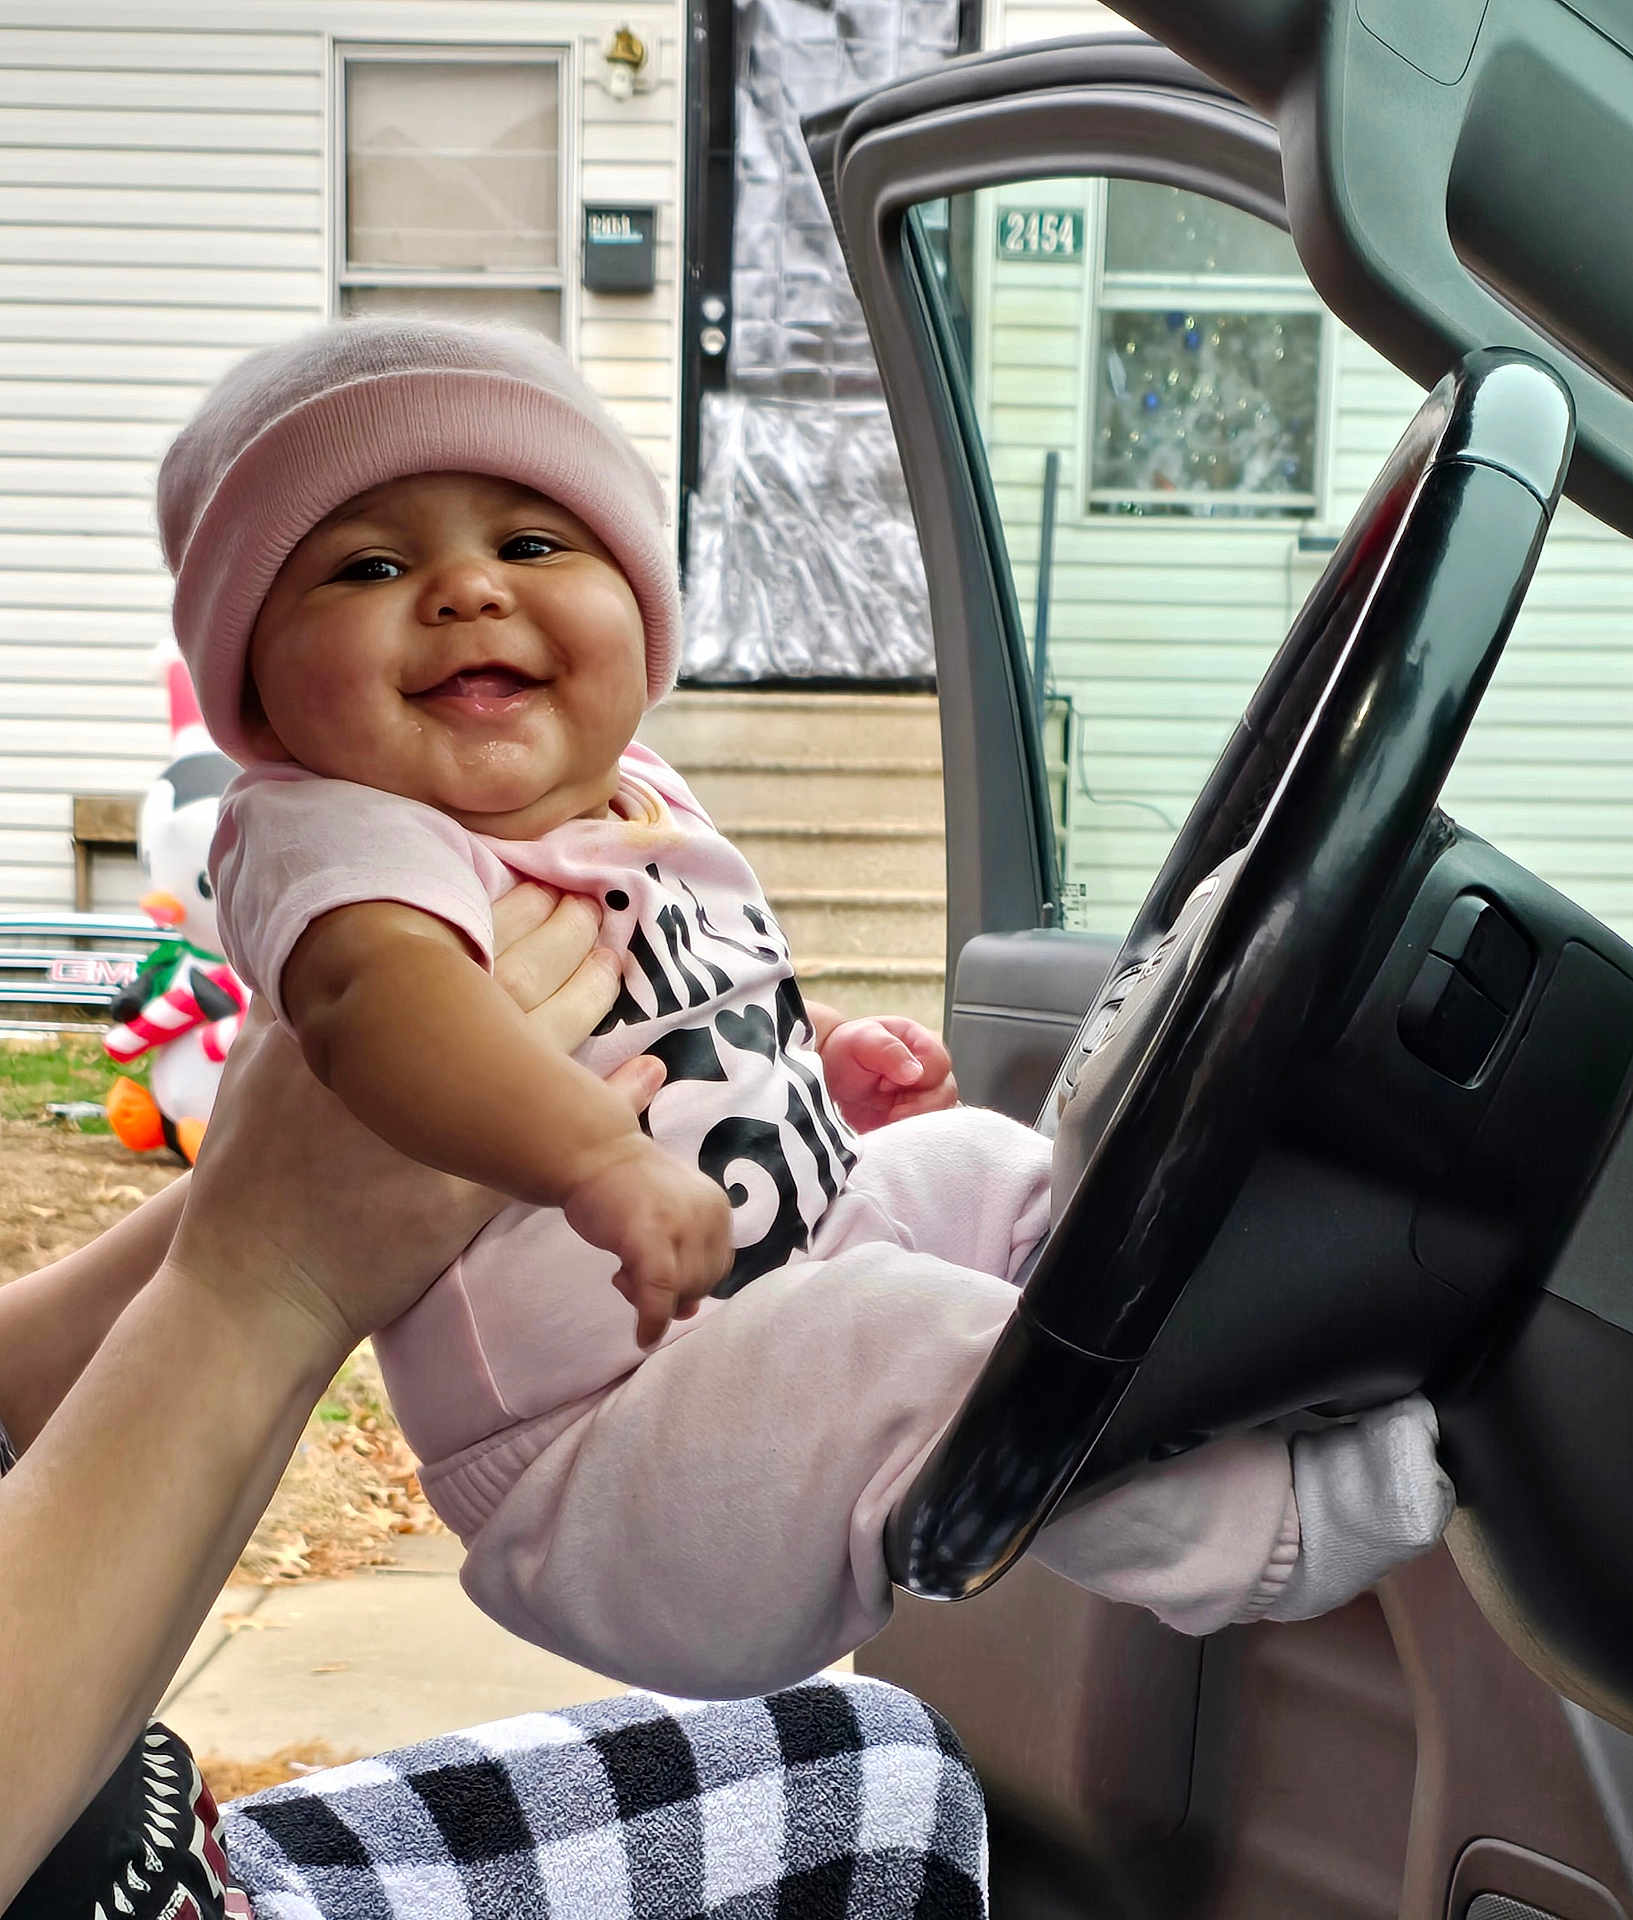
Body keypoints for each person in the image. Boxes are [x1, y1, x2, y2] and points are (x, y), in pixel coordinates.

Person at [155, 316, 1453, 1704]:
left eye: (531, 546)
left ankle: (1184, 1337)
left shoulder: (639, 791)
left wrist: (817, 1077)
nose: (467, 590)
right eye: (369, 565)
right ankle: (1262, 1537)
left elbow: (691, 991)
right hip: (599, 1463)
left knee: (973, 1165)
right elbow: (379, 1011)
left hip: (782, 1287)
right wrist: (596, 1162)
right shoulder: (340, 835)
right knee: (887, 1332)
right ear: (260, 696)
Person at [0, 886, 988, 1916]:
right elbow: (267, 1258)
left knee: (888, 1776)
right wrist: (265, 1279)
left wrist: (395, 1135)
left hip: (202, 1868)